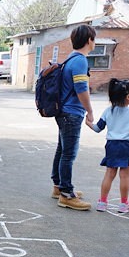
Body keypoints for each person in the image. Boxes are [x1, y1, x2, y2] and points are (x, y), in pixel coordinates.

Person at [52, 24, 96, 211]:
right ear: (89, 40)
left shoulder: (70, 58)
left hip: (63, 111)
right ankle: (66, 194)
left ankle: (58, 187)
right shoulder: (80, 61)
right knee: (69, 153)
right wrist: (90, 111)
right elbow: (81, 89)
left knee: (62, 150)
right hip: (71, 112)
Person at [88, 79, 129, 213]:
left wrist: (88, 123)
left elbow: (98, 128)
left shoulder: (108, 111)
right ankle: (124, 204)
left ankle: (102, 202)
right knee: (125, 175)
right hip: (128, 146)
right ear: (128, 97)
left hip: (112, 145)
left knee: (109, 173)